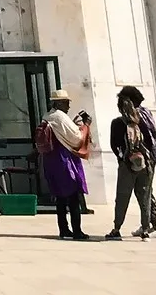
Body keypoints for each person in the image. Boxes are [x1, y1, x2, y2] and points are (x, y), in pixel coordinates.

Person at [35, 90, 93, 240]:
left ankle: (64, 229)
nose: (68, 106)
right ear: (58, 103)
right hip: (64, 160)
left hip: (52, 161)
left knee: (60, 197)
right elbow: (76, 138)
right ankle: (77, 231)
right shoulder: (60, 117)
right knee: (73, 195)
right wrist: (85, 125)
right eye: (66, 103)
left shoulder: (47, 116)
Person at [106, 85, 156, 240]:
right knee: (145, 196)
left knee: (123, 196)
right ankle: (146, 229)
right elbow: (153, 140)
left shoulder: (117, 123)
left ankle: (116, 229)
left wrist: (122, 159)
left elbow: (114, 145)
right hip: (146, 163)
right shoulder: (144, 117)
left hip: (128, 164)